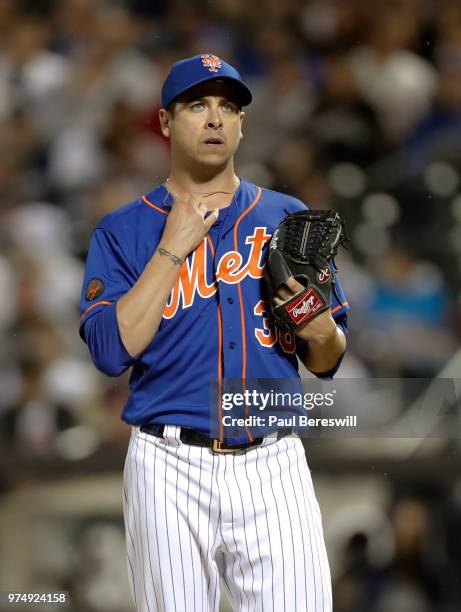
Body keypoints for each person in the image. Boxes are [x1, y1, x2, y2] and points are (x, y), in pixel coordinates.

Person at [79, 53, 349, 612]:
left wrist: (320, 329)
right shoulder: (125, 229)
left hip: (273, 462)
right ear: (164, 122)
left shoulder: (284, 216)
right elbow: (110, 352)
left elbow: (326, 357)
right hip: (168, 464)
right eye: (197, 104)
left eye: (229, 107)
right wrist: (171, 249)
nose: (214, 119)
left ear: (243, 124)